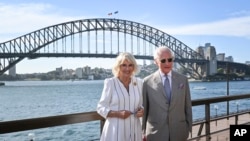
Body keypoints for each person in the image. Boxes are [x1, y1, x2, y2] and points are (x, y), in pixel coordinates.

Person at [142, 46, 193, 141]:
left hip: (180, 133)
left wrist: (188, 128)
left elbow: (187, 106)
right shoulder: (147, 82)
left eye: (170, 60)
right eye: (163, 60)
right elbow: (144, 109)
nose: (167, 63)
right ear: (156, 61)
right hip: (155, 134)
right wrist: (143, 131)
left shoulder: (183, 80)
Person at [97, 52, 144, 141]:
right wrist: (118, 114)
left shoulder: (139, 83)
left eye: (130, 65)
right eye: (124, 65)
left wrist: (142, 110)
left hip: (135, 130)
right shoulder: (110, 83)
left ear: (134, 67)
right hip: (115, 131)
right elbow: (100, 108)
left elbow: (142, 104)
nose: (127, 68)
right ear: (118, 67)